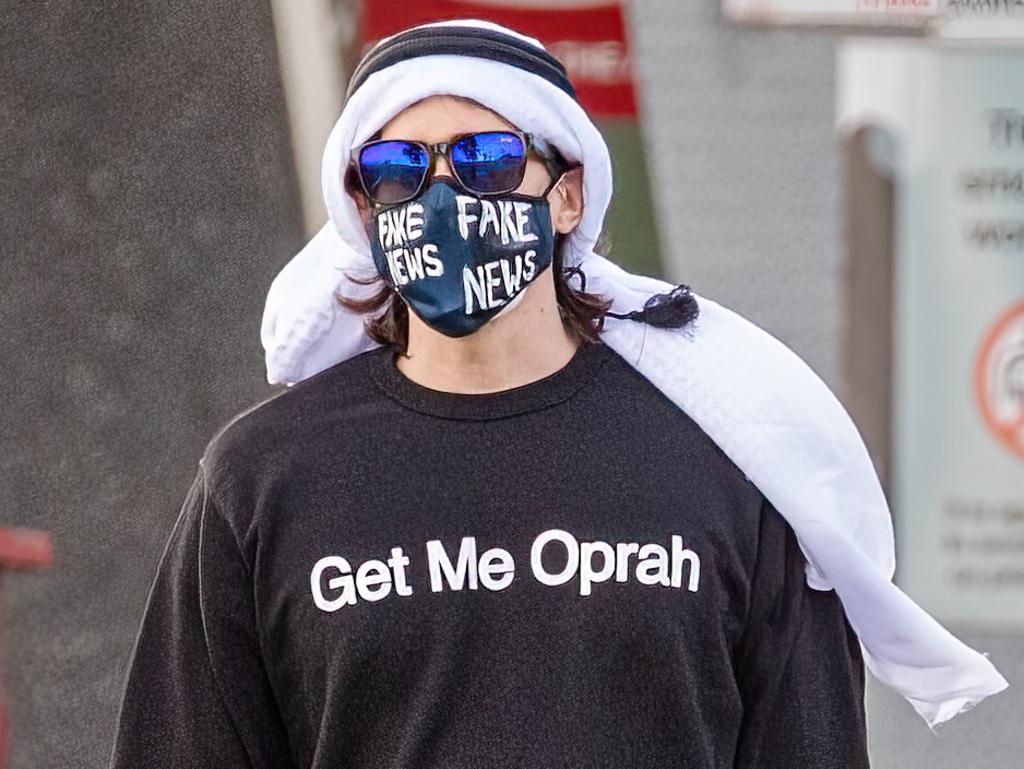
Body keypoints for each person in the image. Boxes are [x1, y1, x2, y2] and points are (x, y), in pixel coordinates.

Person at [108, 18, 1006, 769]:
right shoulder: (265, 481)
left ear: (568, 193)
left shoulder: (724, 463)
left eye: (487, 159)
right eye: (397, 168)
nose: (443, 194)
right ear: (364, 208)